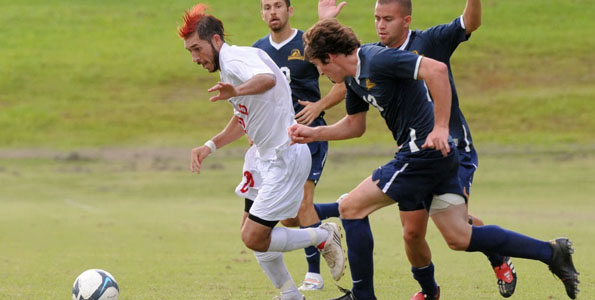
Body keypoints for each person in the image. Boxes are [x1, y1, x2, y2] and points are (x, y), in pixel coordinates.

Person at [290, 18, 579, 300]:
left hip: (422, 154)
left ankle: (362, 295)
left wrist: (441, 127)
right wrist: (314, 134)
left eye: (318, 66)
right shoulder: (353, 79)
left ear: (329, 58)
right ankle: (552, 252)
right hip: (433, 158)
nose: (321, 73)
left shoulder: (378, 59)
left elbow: (437, 70)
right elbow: (355, 125)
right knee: (459, 236)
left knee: (352, 208)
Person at [317, 0, 514, 298]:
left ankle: (499, 256)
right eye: (376, 18)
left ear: (406, 20)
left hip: (452, 146)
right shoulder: (374, 54)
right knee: (412, 233)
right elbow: (347, 71)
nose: (381, 25)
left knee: (455, 227)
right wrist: (327, 25)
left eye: (388, 19)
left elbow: (470, 23)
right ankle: (429, 291)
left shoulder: (429, 41)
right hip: (415, 151)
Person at [178, 4, 346, 300]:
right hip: (263, 158)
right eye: (190, 51)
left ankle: (324, 235)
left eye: (196, 48)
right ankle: (290, 294)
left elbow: (266, 81)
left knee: (254, 237)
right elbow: (245, 118)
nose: (194, 58)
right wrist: (210, 145)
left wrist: (236, 91)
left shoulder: (236, 59)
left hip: (284, 155)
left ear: (216, 40)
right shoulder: (234, 61)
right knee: (253, 233)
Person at [236, 0, 346, 291]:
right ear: (261, 13)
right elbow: (252, 96)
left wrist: (319, 106)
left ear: (289, 10)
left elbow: (344, 80)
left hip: (307, 137)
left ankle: (313, 276)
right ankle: (343, 208)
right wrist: (253, 127)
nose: (272, 12)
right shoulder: (258, 50)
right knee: (288, 218)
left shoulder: (306, 42)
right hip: (274, 145)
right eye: (266, 7)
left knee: (303, 203)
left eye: (277, 6)